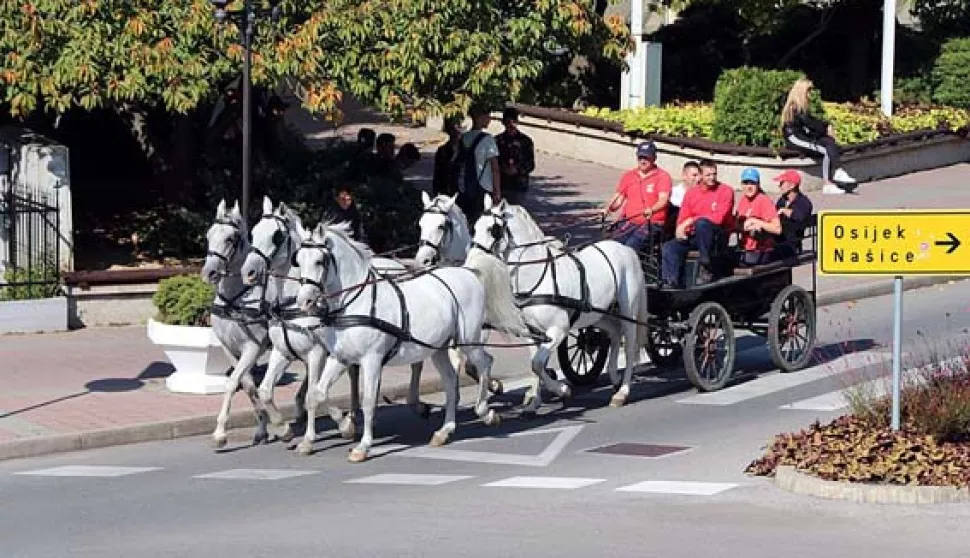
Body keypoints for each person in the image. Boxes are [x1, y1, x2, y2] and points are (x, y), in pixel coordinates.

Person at [660, 159, 735, 287]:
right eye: (708, 175)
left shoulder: (726, 191)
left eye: (714, 174)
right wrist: (681, 229)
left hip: (716, 236)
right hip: (695, 235)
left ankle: (706, 266)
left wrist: (691, 220)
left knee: (702, 223)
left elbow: (718, 218)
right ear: (700, 175)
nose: (712, 178)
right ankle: (670, 282)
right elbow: (683, 217)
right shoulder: (692, 193)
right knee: (670, 247)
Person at [781, 78, 856, 195]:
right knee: (826, 151)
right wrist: (826, 128)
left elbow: (811, 124)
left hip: (803, 136)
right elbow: (810, 124)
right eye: (808, 91)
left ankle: (838, 171)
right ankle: (827, 184)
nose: (810, 94)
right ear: (801, 91)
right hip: (794, 138)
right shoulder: (794, 107)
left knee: (829, 142)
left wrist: (825, 130)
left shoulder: (802, 107)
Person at [601, 141, 672, 254]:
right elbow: (618, 199)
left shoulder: (663, 177)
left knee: (630, 248)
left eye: (646, 158)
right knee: (611, 246)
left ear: (654, 158)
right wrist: (608, 208)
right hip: (629, 222)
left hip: (652, 223)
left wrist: (652, 209)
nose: (643, 161)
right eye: (640, 157)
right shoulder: (629, 176)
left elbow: (663, 200)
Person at [456, 103, 501, 224]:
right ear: (479, 117)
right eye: (487, 116)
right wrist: (497, 192)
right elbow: (495, 169)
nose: (489, 119)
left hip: (465, 186)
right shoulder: (488, 139)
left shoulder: (464, 138)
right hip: (484, 187)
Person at [733, 167, 782, 266]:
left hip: (761, 250)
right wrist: (743, 227)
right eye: (746, 183)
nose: (749, 187)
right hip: (745, 248)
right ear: (741, 185)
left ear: (758, 185)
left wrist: (756, 222)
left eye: (752, 183)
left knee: (730, 264)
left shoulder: (763, 201)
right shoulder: (743, 200)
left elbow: (777, 229)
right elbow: (737, 225)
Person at [495, 107, 535, 205]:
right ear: (503, 123)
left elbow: (530, 164)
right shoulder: (497, 140)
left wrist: (517, 169)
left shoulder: (525, 141)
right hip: (502, 184)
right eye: (508, 122)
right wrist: (503, 168)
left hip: (519, 186)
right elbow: (493, 162)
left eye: (514, 122)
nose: (511, 125)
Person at [773, 169, 815, 258]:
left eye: (782, 183)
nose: (779, 185)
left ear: (792, 186)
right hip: (777, 241)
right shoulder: (782, 200)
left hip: (791, 246)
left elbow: (800, 217)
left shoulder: (803, 202)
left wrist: (785, 211)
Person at [666, 160, 701, 238]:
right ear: (684, 176)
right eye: (694, 175)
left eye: (699, 176)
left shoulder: (702, 195)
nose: (698, 179)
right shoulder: (673, 193)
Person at [432, 117, 463, 196]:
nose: (456, 132)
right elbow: (437, 174)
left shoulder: (465, 149)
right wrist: (436, 192)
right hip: (445, 190)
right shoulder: (442, 150)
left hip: (462, 190)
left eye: (458, 128)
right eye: (452, 129)